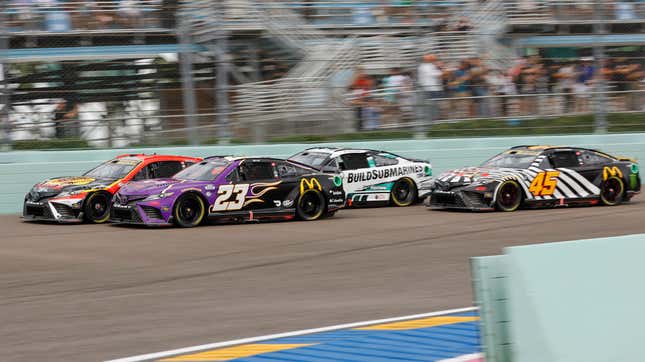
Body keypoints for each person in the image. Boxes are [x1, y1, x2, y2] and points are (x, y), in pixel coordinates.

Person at [417, 54, 444, 122]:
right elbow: (436, 74)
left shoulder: (429, 66)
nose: (435, 60)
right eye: (433, 59)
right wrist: (444, 71)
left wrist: (440, 69)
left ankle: (434, 119)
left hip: (432, 88)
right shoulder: (426, 66)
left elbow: (438, 74)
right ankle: (432, 120)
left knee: (434, 105)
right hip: (430, 89)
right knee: (432, 105)